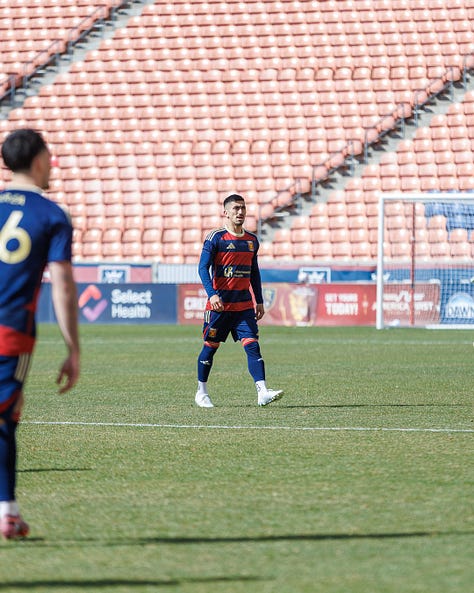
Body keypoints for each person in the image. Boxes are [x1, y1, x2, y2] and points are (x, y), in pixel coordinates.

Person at [0, 128, 80, 540]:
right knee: (4, 415)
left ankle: (8, 512)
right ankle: (6, 513)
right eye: (49, 157)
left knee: (7, 412)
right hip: (9, 332)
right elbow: (62, 286)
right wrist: (73, 348)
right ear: (37, 160)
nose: (52, 165)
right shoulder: (51, 215)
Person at [195, 193, 283, 408]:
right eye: (236, 208)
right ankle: (201, 392)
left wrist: (259, 300)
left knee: (252, 345)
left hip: (243, 305)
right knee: (211, 346)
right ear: (225, 212)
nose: (240, 212)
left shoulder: (251, 240)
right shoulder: (215, 238)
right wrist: (212, 294)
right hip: (220, 306)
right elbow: (202, 268)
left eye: (243, 208)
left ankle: (262, 392)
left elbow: (254, 272)